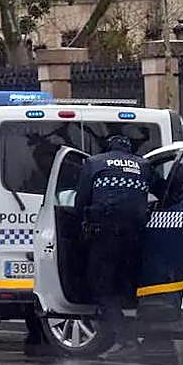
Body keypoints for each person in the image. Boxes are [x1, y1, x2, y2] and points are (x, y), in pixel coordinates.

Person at [74, 135, 154, 353]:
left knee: (101, 285)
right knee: (128, 284)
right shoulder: (144, 165)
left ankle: (123, 338)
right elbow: (159, 191)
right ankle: (148, 335)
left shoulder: (94, 163)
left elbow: (80, 201)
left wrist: (78, 225)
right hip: (136, 235)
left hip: (105, 234)